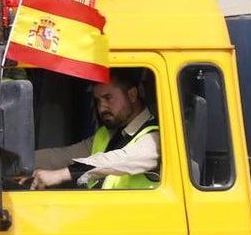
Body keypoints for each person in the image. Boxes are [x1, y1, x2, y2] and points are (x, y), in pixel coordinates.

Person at [29, 68, 160, 190]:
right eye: (98, 101)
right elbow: (64, 155)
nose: (102, 108)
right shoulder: (107, 134)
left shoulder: (156, 137)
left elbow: (120, 160)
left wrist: (62, 174)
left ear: (132, 95)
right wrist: (20, 160)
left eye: (108, 98)